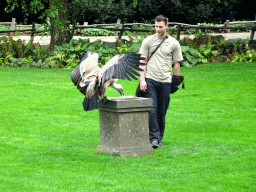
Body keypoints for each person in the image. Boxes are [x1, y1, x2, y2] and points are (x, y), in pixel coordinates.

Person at [139, 15, 183, 148]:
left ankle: (159, 138)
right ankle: (153, 138)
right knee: (151, 109)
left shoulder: (174, 43)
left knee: (162, 110)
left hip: (165, 81)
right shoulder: (148, 41)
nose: (158, 29)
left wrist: (174, 82)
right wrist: (142, 80)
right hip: (150, 79)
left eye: (160, 27)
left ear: (167, 26)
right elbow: (142, 61)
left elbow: (176, 64)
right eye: (156, 26)